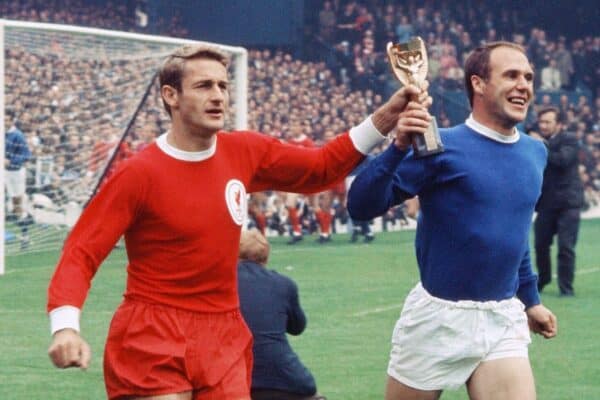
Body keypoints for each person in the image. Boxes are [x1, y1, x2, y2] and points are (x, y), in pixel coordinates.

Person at [46, 44, 431, 400]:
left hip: (224, 334)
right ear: (171, 96)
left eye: (222, 86)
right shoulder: (139, 174)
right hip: (155, 331)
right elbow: (82, 250)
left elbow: (320, 168)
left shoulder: (244, 151)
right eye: (203, 86)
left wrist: (386, 117)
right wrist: (65, 324)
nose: (217, 95)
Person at [347, 41, 557, 400]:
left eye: (528, 77)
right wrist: (397, 148)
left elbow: (514, 234)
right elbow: (361, 206)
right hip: (436, 320)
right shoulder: (439, 146)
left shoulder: (535, 152)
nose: (524, 84)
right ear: (478, 83)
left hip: (501, 317)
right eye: (511, 75)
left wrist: (531, 299)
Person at [237, 229, 325, 400]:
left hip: (237, 376)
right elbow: (297, 327)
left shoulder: (222, 284)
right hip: (286, 377)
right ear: (266, 257)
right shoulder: (284, 284)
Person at [533, 107, 584, 297]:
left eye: (548, 122)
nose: (543, 125)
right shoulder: (537, 142)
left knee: (565, 247)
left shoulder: (569, 139)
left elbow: (562, 160)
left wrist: (541, 144)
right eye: (542, 122)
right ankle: (543, 279)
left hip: (568, 203)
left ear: (560, 124)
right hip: (546, 202)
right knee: (540, 245)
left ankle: (566, 288)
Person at [4, 110, 32, 247]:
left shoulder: (17, 135)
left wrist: (11, 161)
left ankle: (25, 235)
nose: (4, 122)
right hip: (5, 173)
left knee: (18, 205)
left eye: (7, 120)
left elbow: (26, 155)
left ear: (12, 121)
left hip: (16, 173)